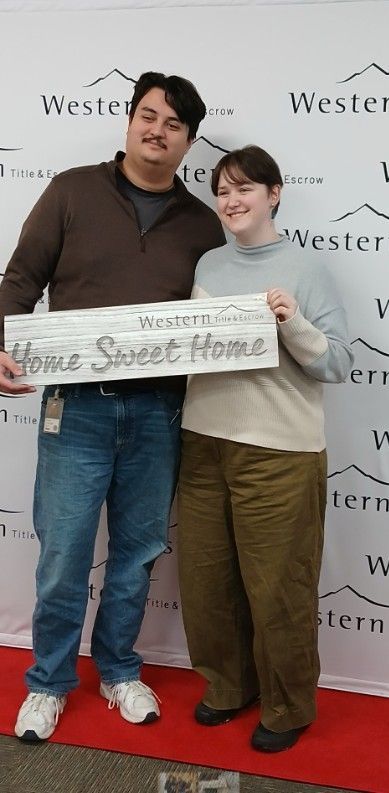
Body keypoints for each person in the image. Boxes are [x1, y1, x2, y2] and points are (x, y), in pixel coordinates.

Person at [0, 71, 225, 742]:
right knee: (65, 552)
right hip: (76, 410)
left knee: (137, 554)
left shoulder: (202, 225)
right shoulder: (72, 189)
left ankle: (121, 669)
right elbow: (18, 283)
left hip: (160, 414)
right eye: (148, 115)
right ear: (128, 120)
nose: (158, 130)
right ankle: (47, 681)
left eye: (174, 124)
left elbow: (217, 324)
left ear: (189, 141)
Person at [177, 145, 353, 752]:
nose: (232, 199)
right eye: (222, 190)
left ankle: (287, 704)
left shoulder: (307, 268)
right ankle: (228, 685)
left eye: (245, 188)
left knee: (278, 585)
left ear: (274, 194)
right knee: (206, 581)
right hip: (202, 443)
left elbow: (339, 363)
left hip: (279, 452)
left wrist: (294, 323)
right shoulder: (207, 265)